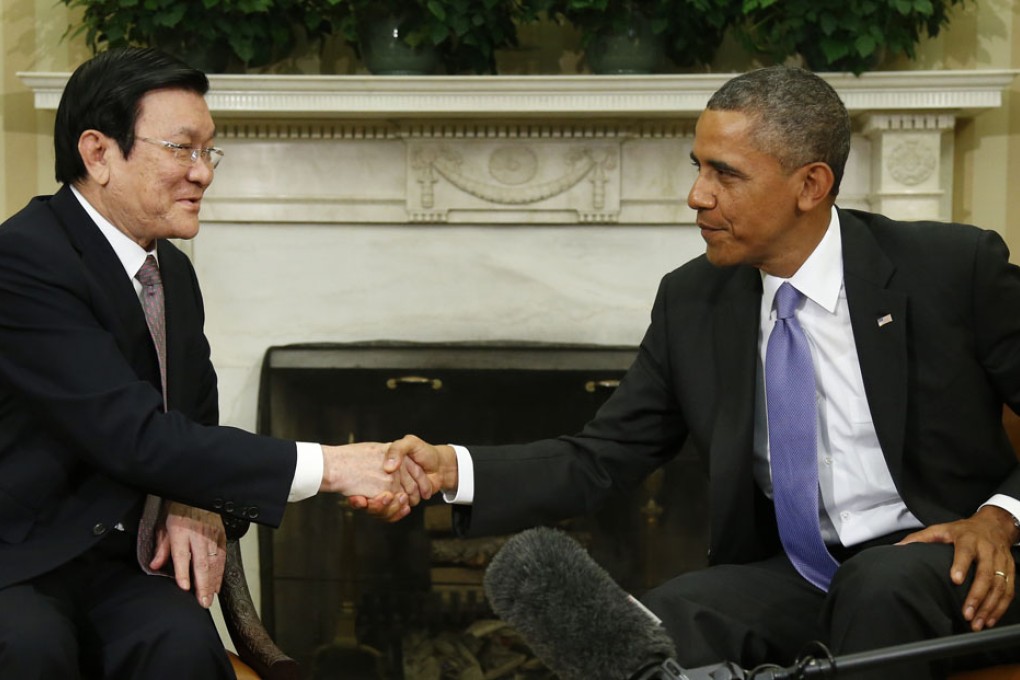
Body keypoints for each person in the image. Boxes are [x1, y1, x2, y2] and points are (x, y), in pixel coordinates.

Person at [373, 65, 1020, 678]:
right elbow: (604, 455)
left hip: (951, 556)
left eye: (725, 173)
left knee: (881, 585)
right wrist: (454, 470)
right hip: (798, 572)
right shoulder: (694, 302)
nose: (696, 195)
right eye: (697, 167)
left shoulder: (951, 269)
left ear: (811, 185)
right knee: (670, 615)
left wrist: (998, 517)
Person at [0, 48, 421, 680]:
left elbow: (193, 419)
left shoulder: (170, 269)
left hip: (122, 559)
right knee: (34, 653)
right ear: (98, 153)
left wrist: (194, 500)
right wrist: (333, 465)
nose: (203, 173)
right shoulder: (24, 260)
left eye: (209, 151)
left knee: (184, 648)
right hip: (20, 557)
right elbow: (133, 436)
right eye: (181, 148)